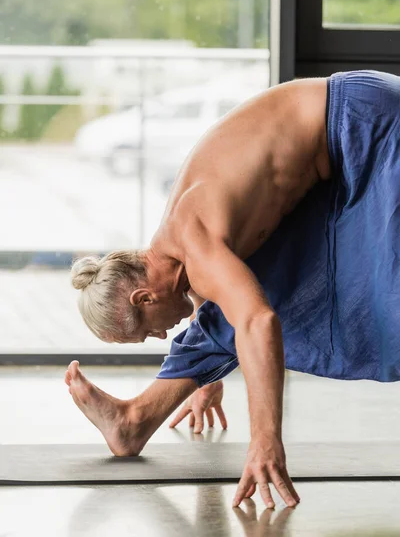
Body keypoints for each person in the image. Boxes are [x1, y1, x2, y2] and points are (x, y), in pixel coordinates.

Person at [66, 70, 400, 509]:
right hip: (341, 147)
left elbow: (259, 321)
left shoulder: (194, 237)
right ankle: (135, 420)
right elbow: (216, 298)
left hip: (367, 123)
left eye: (147, 332)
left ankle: (136, 418)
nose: (162, 337)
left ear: (144, 298)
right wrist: (207, 382)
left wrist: (264, 441)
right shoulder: (179, 248)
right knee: (232, 310)